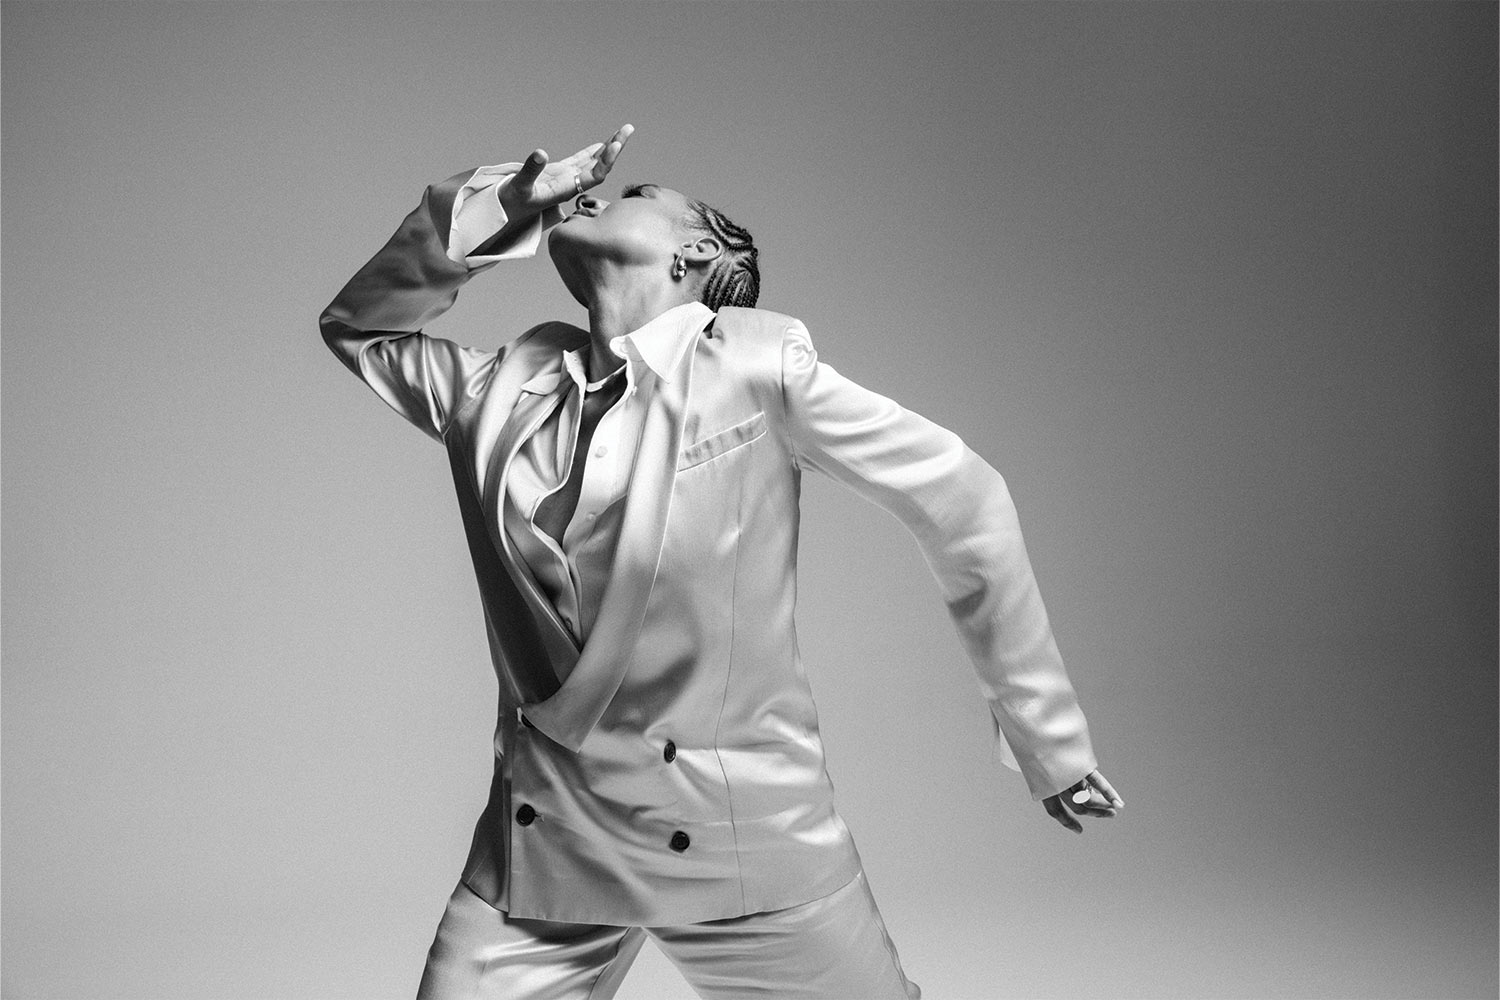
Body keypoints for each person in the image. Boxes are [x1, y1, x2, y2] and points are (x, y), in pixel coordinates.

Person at [320, 123, 1123, 1000]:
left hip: (742, 842)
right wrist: (494, 210)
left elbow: (965, 498)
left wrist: (1048, 741)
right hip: (544, 855)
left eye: (639, 195)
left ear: (696, 252)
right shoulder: (500, 386)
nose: (602, 193)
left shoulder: (756, 365)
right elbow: (360, 326)